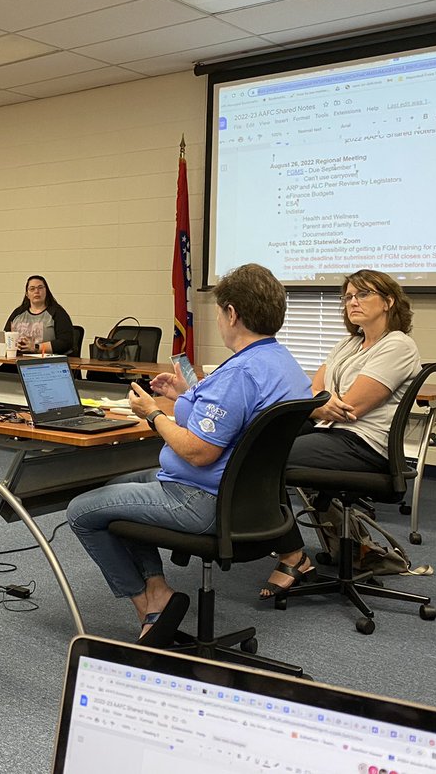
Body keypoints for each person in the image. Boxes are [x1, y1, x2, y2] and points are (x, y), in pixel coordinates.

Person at [66, 263, 311, 644]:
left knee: (81, 511)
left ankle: (147, 601)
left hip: (200, 499)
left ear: (232, 313)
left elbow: (199, 452)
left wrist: (153, 415)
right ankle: (157, 588)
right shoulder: (282, 363)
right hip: (252, 503)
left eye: (219, 311)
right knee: (118, 487)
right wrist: (186, 394)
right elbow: (231, 419)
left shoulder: (240, 373)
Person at [259, 269, 420, 600]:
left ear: (388, 301)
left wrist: (319, 402)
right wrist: (319, 403)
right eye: (348, 297)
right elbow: (315, 386)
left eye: (362, 295)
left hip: (364, 444)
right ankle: (279, 542)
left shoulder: (398, 345)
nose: (352, 302)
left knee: (267, 459)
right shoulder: (351, 343)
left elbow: (351, 407)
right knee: (260, 441)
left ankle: (292, 555)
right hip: (334, 430)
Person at [4, 275, 75, 355]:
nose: (36, 291)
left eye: (40, 287)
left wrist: (36, 347)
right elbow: (5, 336)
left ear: (46, 291)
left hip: (45, 361)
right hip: (17, 359)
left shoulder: (57, 313)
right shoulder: (18, 313)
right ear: (27, 294)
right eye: (32, 289)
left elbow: (66, 342)